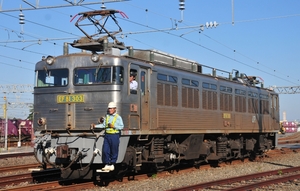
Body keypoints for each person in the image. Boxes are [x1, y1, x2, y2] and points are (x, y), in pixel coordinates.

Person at [90, 102, 124, 171]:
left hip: (115, 135)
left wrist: (114, 126)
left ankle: (112, 164)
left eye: (111, 108)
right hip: (107, 135)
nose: (110, 110)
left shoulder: (118, 117)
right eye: (109, 108)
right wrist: (95, 126)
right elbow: (103, 125)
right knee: (105, 150)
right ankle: (107, 164)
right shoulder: (107, 116)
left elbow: (121, 126)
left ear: (115, 109)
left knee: (114, 150)